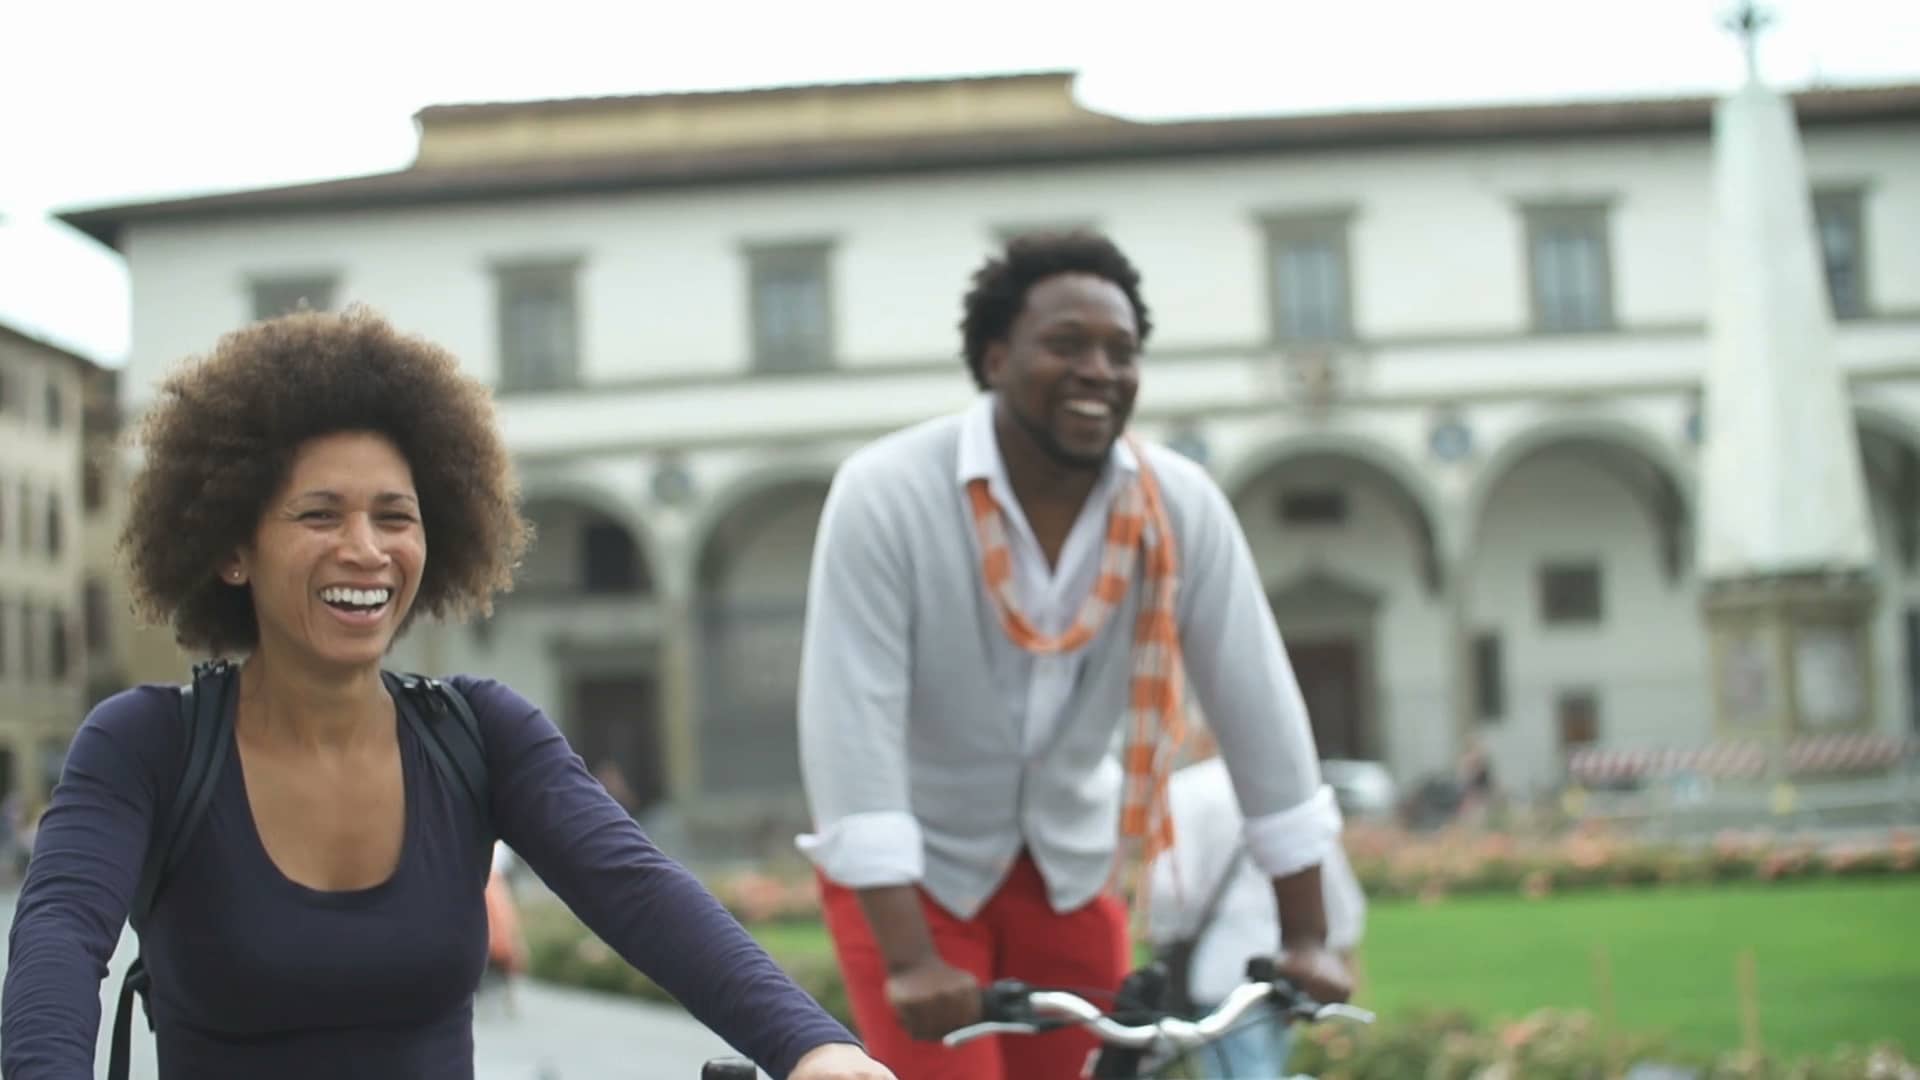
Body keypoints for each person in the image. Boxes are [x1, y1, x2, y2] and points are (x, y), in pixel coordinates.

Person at [0, 308, 891, 1080]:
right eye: (320, 516)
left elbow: (640, 892)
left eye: (395, 516)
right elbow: (60, 939)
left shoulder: (482, 731)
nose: (366, 549)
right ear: (232, 550)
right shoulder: (147, 741)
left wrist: (810, 1044)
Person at [794, 230, 1351, 1080]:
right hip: (913, 877)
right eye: (1066, 345)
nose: (1099, 370)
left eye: (1121, 353)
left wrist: (1307, 933)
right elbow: (850, 725)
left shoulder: (1179, 505)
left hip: (1068, 867)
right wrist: (908, 958)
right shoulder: (888, 493)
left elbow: (1259, 710)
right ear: (993, 359)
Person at [1147, 727, 1368, 1078]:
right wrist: (1337, 947)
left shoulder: (1190, 790)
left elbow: (1172, 889)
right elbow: (1331, 878)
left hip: (1222, 964)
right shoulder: (1296, 786)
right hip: (1290, 965)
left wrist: (1162, 931)